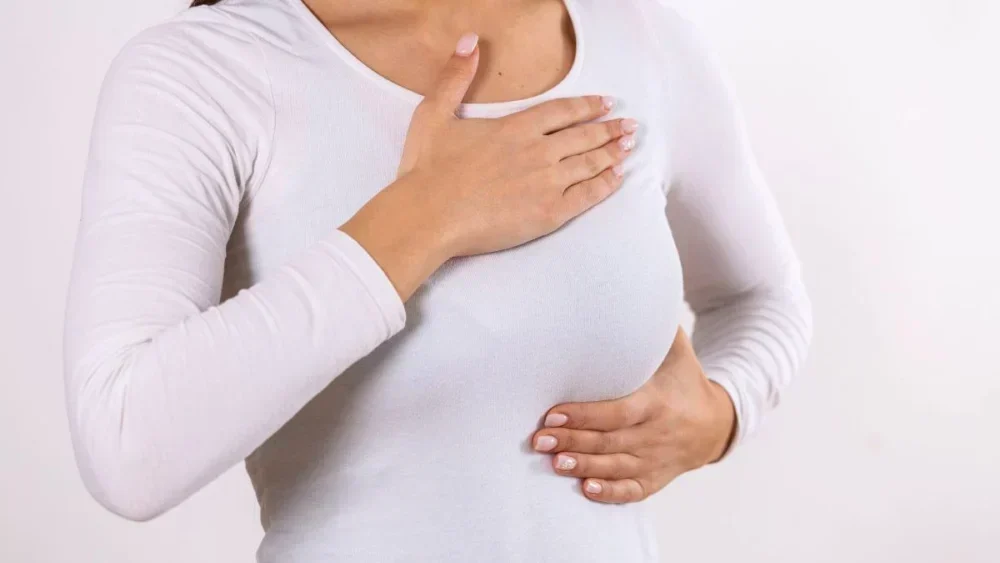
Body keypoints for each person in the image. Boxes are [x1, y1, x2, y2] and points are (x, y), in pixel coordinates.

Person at [62, 0, 813, 560]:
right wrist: (424, 218)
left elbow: (762, 299)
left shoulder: (638, 37)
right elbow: (127, 448)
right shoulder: (206, 71)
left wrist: (721, 413)